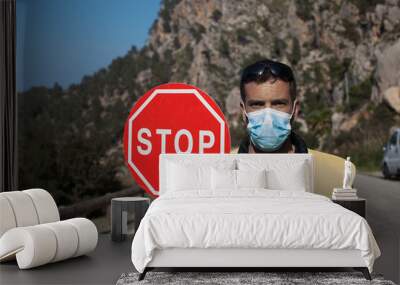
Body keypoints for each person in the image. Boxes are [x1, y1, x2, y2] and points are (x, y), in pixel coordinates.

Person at [238, 59, 308, 154]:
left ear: (295, 110)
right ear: (243, 111)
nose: (268, 119)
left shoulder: (325, 167)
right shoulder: (222, 166)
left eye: (278, 104)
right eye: (257, 105)